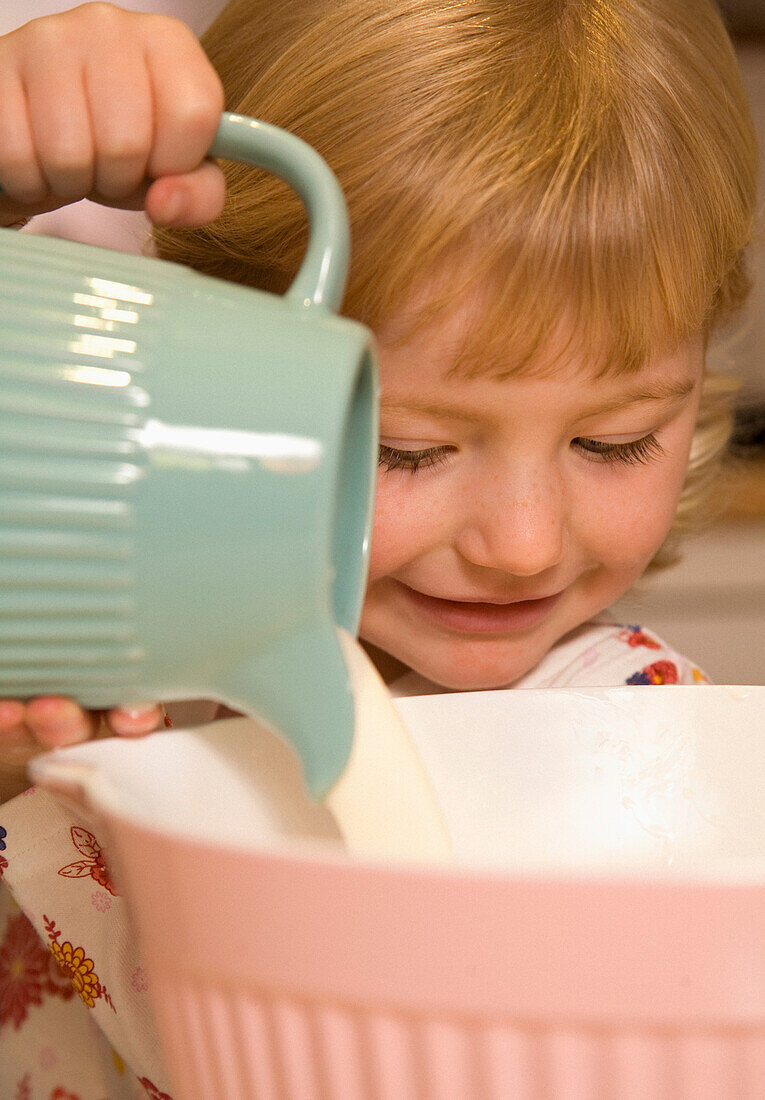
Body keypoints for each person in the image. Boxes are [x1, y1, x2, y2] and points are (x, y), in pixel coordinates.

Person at [0, 0, 758, 1093]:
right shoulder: (101, 634)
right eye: (407, 449)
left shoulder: (645, 751)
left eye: (615, 438)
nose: (523, 543)